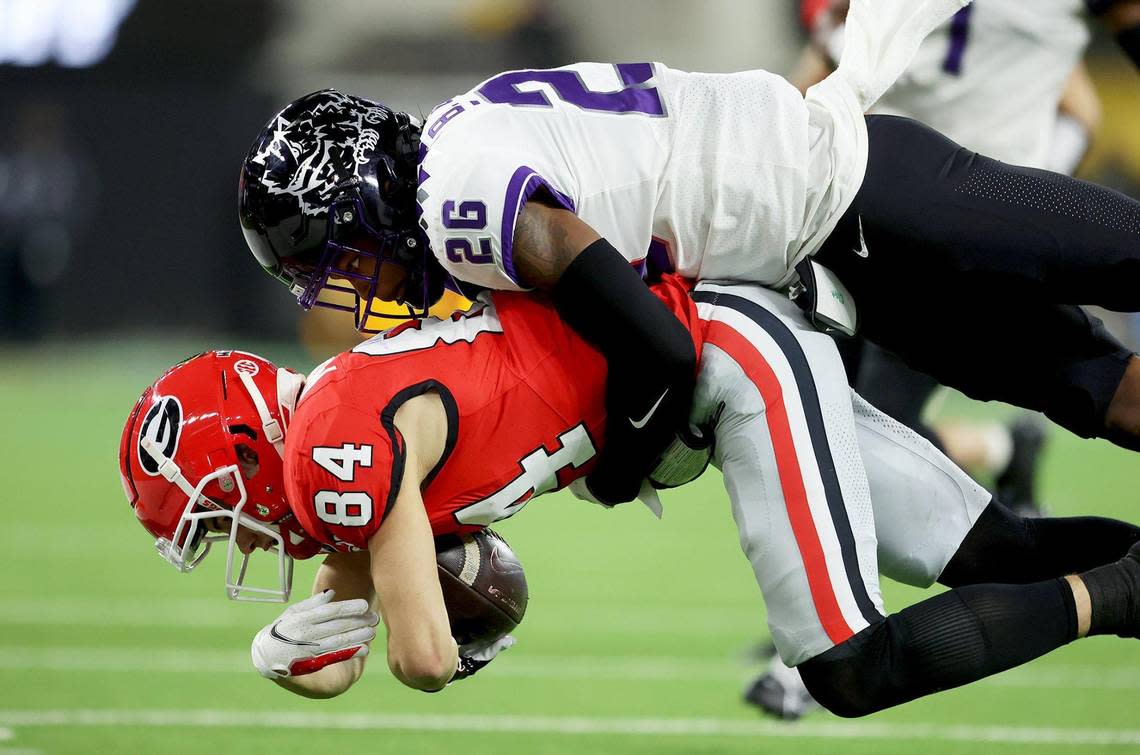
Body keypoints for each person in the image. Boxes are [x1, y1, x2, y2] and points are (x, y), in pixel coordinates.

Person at [238, 0, 1140, 522]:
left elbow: (658, 350)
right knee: (1101, 391)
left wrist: (621, 469)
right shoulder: (461, 154)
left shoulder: (459, 203)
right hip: (834, 248)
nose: (355, 284)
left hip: (853, 189)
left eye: (341, 256)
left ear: (366, 197)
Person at [120, 277, 1140, 714]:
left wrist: (365, 626)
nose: (243, 532)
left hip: (722, 363)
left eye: (221, 511)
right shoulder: (335, 431)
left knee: (848, 664)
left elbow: (424, 655)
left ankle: (1128, 592)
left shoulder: (336, 453)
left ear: (253, 449)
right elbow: (350, 647)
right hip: (710, 370)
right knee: (995, 550)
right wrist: (287, 648)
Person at [745, 0, 1138, 718]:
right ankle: (830, 628)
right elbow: (822, 68)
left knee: (865, 438)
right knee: (863, 437)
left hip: (922, 203)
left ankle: (815, 642)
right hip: (878, 224)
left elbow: (808, 77)